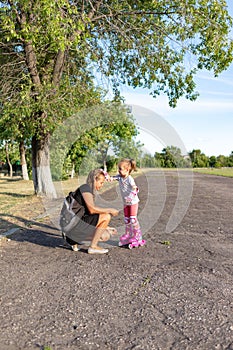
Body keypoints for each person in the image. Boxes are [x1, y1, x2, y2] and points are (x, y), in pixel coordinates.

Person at [65, 168, 119, 254]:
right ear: (94, 180)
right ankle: (93, 247)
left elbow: (86, 215)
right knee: (106, 216)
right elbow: (92, 210)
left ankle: (74, 242)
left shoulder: (88, 191)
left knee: (105, 235)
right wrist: (110, 210)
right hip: (73, 231)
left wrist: (107, 227)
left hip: (74, 232)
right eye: (101, 182)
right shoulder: (85, 188)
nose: (101, 185)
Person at [110, 158, 146, 248]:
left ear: (127, 170)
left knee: (133, 219)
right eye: (118, 168)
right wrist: (106, 177)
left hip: (133, 202)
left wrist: (132, 194)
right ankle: (128, 234)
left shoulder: (129, 179)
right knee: (127, 219)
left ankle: (138, 235)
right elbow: (111, 178)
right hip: (126, 202)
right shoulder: (119, 177)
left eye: (120, 169)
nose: (118, 170)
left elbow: (135, 188)